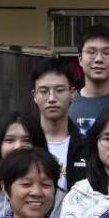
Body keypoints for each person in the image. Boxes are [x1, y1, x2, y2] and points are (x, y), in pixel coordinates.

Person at [31, 57, 85, 190]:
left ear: (72, 93)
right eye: (44, 91)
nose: (51, 98)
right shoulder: (25, 143)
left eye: (59, 90)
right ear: (34, 95)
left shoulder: (88, 146)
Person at [70, 24, 109, 134]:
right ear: (80, 59)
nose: (99, 59)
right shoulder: (67, 104)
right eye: (91, 52)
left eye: (106, 53)